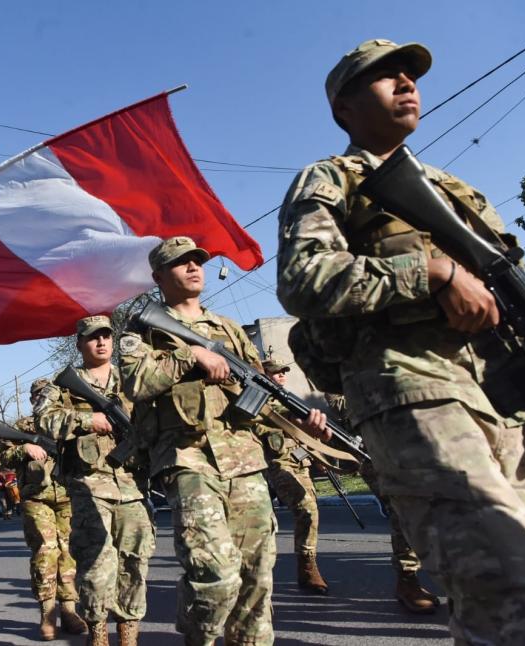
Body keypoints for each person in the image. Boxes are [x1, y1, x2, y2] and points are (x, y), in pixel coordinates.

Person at [276, 38, 525, 643]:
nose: (406, 82)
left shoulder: (451, 189)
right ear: (345, 109)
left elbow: (510, 298)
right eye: (383, 77)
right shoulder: (334, 178)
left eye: (409, 75)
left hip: (497, 401)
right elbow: (303, 280)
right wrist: (432, 273)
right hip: (412, 392)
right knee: (516, 595)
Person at [119, 237, 326, 646]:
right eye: (182, 263)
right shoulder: (140, 330)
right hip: (187, 459)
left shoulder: (229, 329)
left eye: (198, 261)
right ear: (159, 276)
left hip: (245, 460)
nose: (195, 267)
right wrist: (191, 356)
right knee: (214, 575)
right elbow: (136, 382)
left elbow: (262, 398)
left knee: (257, 575)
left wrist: (304, 425)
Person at [36, 315, 154, 646]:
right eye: (92, 337)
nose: (101, 342)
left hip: (132, 485)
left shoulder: (133, 379)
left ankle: (128, 635)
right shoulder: (63, 385)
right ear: (79, 343)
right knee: (96, 564)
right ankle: (98, 634)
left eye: (106, 336)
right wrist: (89, 420)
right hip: (89, 486)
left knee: (135, 560)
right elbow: (44, 421)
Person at [324, 393, 441, 614]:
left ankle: (452, 580)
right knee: (401, 511)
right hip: (373, 449)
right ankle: (408, 581)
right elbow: (339, 405)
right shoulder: (345, 367)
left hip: (414, 440)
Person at [0, 380, 88, 641]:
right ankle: (47, 614)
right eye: (38, 395)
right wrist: (24, 448)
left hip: (68, 495)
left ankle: (70, 610)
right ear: (31, 400)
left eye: (47, 395)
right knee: (45, 552)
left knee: (68, 554)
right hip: (36, 497)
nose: (43, 399)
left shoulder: (65, 421)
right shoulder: (22, 427)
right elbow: (5, 456)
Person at [255, 358, 328, 595]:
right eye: (276, 373)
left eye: (283, 372)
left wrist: (320, 456)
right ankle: (254, 575)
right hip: (267, 464)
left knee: (308, 509)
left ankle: (307, 565)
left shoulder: (291, 399)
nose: (281, 376)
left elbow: (307, 433)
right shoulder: (256, 398)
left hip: (296, 462)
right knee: (260, 524)